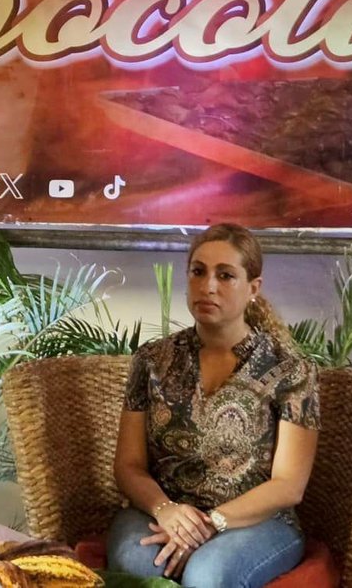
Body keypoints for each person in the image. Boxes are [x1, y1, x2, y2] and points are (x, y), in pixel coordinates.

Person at [107, 223, 319, 588]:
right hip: (161, 511)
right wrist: (166, 510)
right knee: (141, 566)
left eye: (225, 275)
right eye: (198, 271)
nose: (208, 286)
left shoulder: (290, 370)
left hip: (257, 522)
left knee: (208, 576)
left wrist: (209, 523)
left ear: (253, 288)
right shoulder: (152, 361)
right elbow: (128, 466)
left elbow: (288, 485)